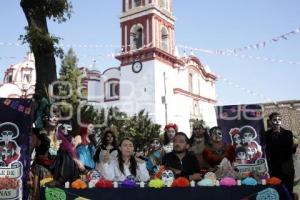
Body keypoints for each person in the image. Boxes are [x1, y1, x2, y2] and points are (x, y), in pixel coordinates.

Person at [264, 112, 298, 197]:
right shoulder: (267, 135)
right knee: (276, 193)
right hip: (274, 169)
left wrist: (294, 147)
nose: (277, 121)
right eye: (275, 120)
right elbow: (267, 150)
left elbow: (290, 150)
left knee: (288, 193)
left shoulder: (288, 133)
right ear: (270, 121)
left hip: (287, 169)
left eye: (279, 119)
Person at [30, 128, 53, 200]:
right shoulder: (38, 132)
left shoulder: (59, 133)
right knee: (40, 194)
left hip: (48, 168)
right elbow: (29, 151)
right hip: (42, 169)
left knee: (44, 194)